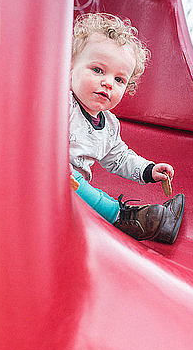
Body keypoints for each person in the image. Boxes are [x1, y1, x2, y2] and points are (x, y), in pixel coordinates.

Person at [69, 12, 184, 244]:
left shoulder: (109, 125)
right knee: (66, 175)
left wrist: (148, 170)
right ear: (69, 66)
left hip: (75, 194)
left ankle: (153, 222)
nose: (108, 82)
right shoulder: (61, 102)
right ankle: (124, 217)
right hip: (46, 180)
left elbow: (120, 158)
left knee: (77, 183)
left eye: (119, 80)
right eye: (98, 70)